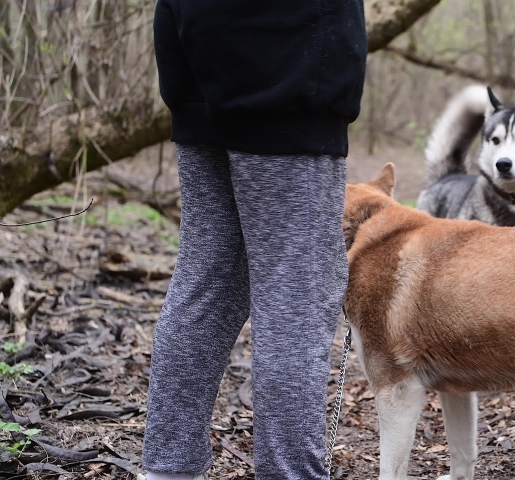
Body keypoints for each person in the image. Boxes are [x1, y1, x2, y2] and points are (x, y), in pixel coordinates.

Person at [142, 1, 367, 479]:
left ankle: (167, 469)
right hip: (288, 51)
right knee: (297, 291)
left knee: (210, 276)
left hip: (196, 38)